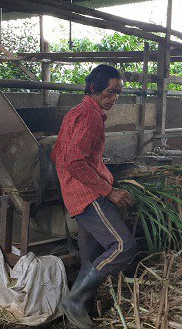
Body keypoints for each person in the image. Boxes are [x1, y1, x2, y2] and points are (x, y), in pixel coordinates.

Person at [51, 64, 137, 328]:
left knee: (90, 258)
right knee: (124, 247)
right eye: (110, 93)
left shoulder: (75, 113)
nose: (114, 99)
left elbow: (57, 154)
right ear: (94, 89)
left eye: (118, 94)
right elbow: (75, 162)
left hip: (75, 195)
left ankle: (75, 318)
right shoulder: (90, 116)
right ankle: (74, 299)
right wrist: (108, 190)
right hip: (88, 196)